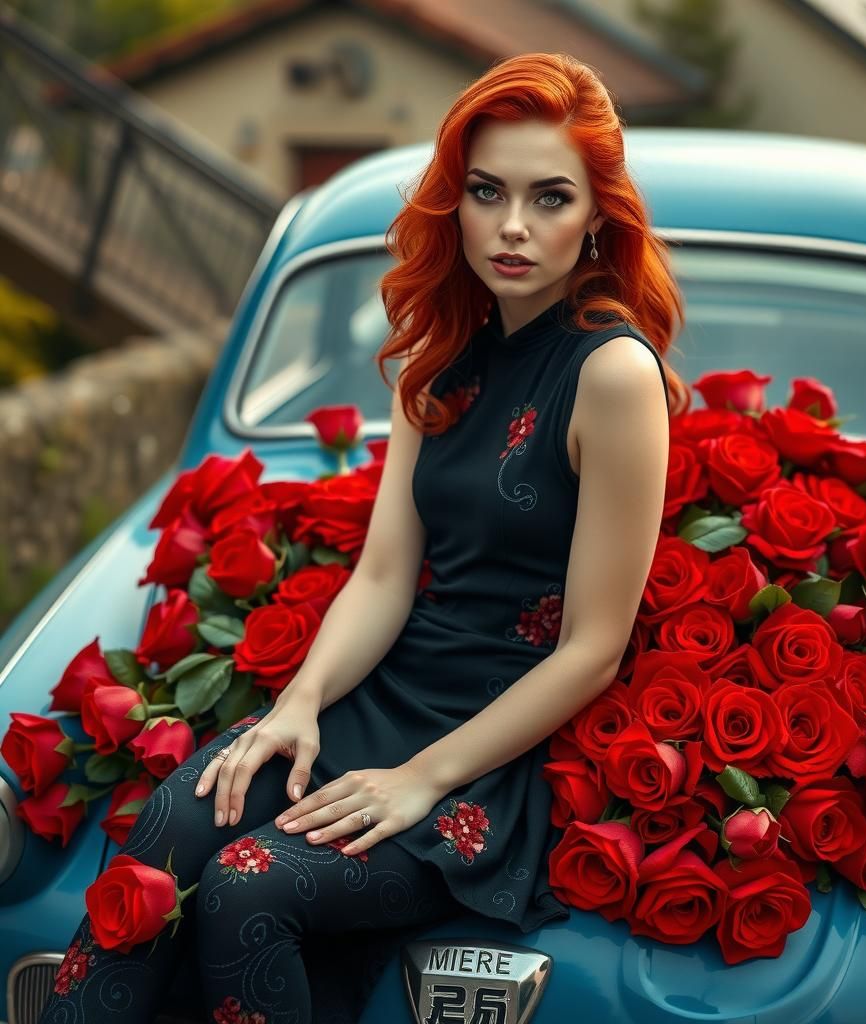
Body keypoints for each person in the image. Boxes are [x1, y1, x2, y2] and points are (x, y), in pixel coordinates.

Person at [40, 51, 686, 1024]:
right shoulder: (437, 354)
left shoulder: (613, 373)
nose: (513, 226)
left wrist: (419, 781)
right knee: (176, 816)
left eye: (550, 197)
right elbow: (385, 575)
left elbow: (593, 647)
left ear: (598, 214)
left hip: (490, 751)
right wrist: (297, 704)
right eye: (487, 192)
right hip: (382, 695)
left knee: (245, 889)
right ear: (455, 202)